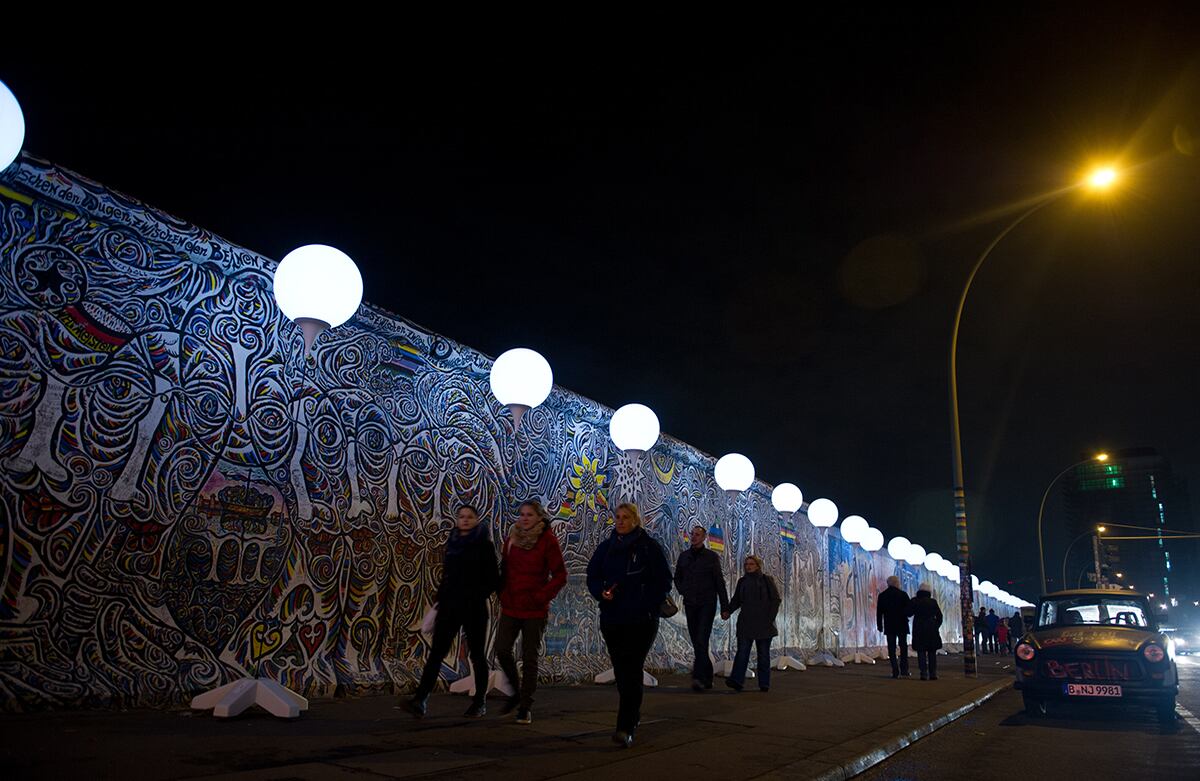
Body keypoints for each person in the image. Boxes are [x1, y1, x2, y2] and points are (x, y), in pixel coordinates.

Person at [586, 503, 673, 749]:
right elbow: (593, 575)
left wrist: (646, 602)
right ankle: (631, 715)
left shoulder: (649, 547)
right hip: (613, 618)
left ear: (636, 520)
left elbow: (664, 580)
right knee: (622, 670)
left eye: (626, 517)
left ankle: (625, 726)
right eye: (618, 517)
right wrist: (601, 593)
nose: (621, 521)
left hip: (641, 620)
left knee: (632, 669)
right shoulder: (607, 547)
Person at [403, 504, 500, 718]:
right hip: (450, 606)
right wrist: (439, 601)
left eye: (469, 517)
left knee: (477, 655)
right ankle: (420, 699)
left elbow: (493, 579)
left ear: (476, 520)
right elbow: (447, 574)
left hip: (474, 608)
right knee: (437, 653)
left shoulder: (484, 546)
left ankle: (480, 702)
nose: (465, 520)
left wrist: (475, 594)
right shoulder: (453, 542)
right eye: (461, 516)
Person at [494, 500, 567, 725]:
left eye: (529, 515)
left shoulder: (547, 541)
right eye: (522, 514)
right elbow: (504, 568)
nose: (524, 518)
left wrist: (541, 596)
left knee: (529, 658)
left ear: (539, 517)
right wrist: (502, 593)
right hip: (511, 605)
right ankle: (516, 691)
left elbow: (560, 575)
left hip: (534, 609)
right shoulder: (512, 539)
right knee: (502, 649)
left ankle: (525, 707)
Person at [674, 525, 730, 691]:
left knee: (701, 638)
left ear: (704, 537)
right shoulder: (684, 557)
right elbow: (677, 577)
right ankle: (707, 676)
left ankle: (698, 677)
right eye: (693, 534)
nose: (694, 537)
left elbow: (719, 582)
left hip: (707, 603)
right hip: (691, 603)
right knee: (697, 641)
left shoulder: (711, 557)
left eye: (698, 535)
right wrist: (683, 590)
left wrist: (725, 606)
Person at [722, 554, 781, 693]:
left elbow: (775, 600)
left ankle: (764, 683)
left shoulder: (767, 580)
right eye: (747, 564)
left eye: (751, 564)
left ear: (758, 565)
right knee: (742, 652)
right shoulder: (742, 582)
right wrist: (728, 611)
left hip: (764, 623)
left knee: (763, 654)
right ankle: (737, 680)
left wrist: (770, 618)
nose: (748, 566)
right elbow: (737, 599)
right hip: (746, 622)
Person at [877, 575, 911, 678]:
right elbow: (909, 610)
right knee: (903, 647)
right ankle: (904, 669)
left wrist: (880, 625)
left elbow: (879, 612)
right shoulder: (903, 595)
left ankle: (895, 670)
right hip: (902, 624)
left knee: (891, 648)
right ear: (897, 583)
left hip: (889, 625)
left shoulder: (883, 595)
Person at [908, 582, 943, 680]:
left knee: (921, 652)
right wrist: (936, 625)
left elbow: (908, 613)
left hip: (919, 629)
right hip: (931, 629)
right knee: (932, 652)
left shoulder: (915, 601)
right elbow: (940, 616)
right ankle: (933, 673)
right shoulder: (933, 602)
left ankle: (923, 673)